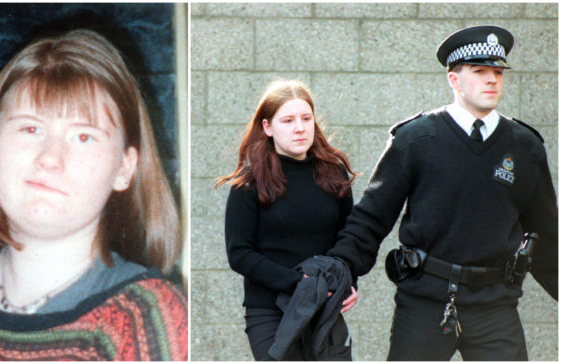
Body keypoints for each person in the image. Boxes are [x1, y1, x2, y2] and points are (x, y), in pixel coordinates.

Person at [0, 29, 187, 361]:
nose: (50, 158)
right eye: (31, 129)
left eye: (84, 137)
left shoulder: (145, 317)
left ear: (124, 169)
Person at [327, 25, 558, 360]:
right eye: (479, 71)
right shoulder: (416, 139)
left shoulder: (525, 147)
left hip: (496, 306)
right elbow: (371, 217)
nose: (491, 80)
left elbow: (547, 235)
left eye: (497, 72)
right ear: (454, 80)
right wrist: (341, 269)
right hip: (425, 302)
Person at [216, 80, 359, 360]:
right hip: (269, 311)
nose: (299, 127)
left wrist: (349, 280)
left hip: (322, 307)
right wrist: (297, 282)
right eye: (288, 120)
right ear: (268, 127)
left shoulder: (333, 173)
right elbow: (239, 254)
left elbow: (349, 237)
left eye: (306, 119)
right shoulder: (249, 182)